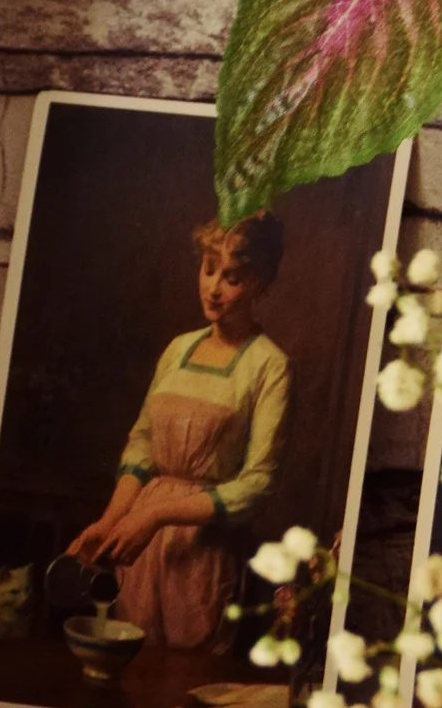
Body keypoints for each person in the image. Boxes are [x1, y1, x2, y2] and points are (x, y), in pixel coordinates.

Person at [67, 212, 292, 650]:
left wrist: (158, 515)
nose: (213, 287)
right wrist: (113, 519)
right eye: (209, 270)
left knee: (185, 680)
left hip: (203, 556)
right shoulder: (177, 350)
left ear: (260, 283)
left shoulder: (270, 366)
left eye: (232, 278)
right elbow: (144, 443)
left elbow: (258, 484)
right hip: (139, 549)